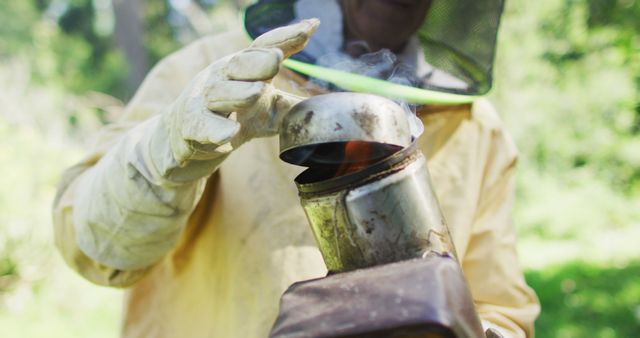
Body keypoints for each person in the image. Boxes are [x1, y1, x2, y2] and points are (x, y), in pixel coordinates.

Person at [53, 0, 540, 337]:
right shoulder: (208, 72)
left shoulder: (477, 130)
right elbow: (89, 244)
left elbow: (501, 308)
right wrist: (159, 155)